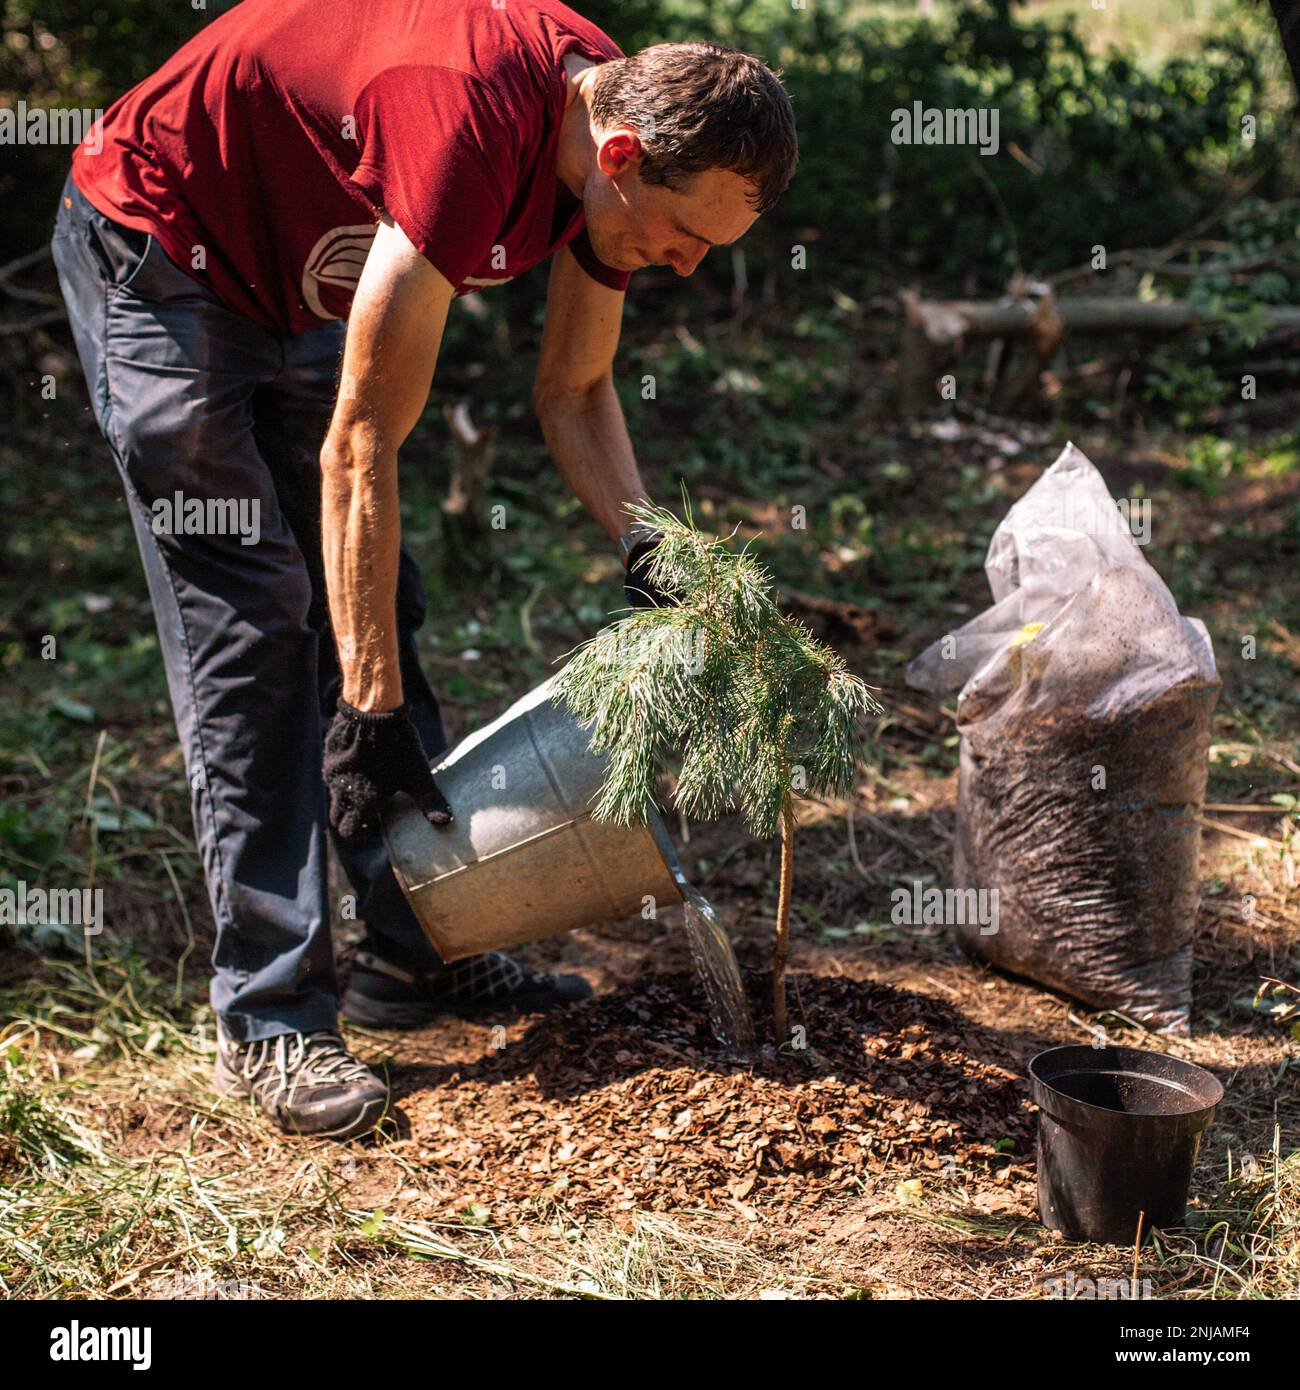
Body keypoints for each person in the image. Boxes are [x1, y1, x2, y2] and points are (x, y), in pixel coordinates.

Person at [50, 0, 797, 1139]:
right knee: (259, 624)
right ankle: (270, 1018)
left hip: (297, 259)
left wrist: (653, 547)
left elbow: (578, 388)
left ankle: (416, 953)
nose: (687, 267)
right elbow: (364, 443)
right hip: (164, 246)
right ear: (621, 157)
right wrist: (372, 709)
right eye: (683, 236)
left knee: (371, 597)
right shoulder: (468, 137)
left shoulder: (608, 132)